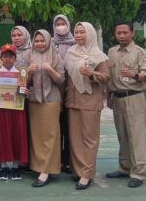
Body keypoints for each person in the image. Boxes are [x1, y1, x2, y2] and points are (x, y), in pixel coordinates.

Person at [63, 22, 109, 190]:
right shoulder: (70, 53)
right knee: (75, 139)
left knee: (89, 139)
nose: (79, 35)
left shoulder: (99, 55)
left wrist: (91, 74)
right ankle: (78, 170)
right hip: (73, 100)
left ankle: (87, 174)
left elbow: (106, 77)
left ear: (90, 34)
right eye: (76, 32)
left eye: (82, 32)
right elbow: (66, 77)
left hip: (90, 101)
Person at [105, 21, 146, 188]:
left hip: (134, 96)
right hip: (117, 97)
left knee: (136, 135)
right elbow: (109, 76)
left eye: (125, 32)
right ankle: (124, 167)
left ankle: (138, 173)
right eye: (119, 33)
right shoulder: (112, 52)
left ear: (132, 33)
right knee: (122, 134)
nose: (122, 36)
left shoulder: (139, 52)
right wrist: (109, 96)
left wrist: (134, 74)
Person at [26, 29, 65, 187]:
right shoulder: (28, 55)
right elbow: (21, 80)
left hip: (51, 99)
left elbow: (61, 80)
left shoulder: (55, 56)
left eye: (43, 41)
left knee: (50, 135)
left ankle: (47, 170)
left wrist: (50, 70)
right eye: (37, 41)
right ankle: (38, 167)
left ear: (48, 41)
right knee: (37, 135)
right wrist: (28, 72)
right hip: (34, 99)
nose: (40, 43)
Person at [0, 44, 28, 181]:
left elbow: (23, 92)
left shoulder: (21, 74)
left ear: (15, 58)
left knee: (17, 135)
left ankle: (16, 165)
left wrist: (24, 90)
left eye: (10, 56)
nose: (7, 59)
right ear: (1, 58)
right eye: (5, 56)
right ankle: (3, 165)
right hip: (1, 109)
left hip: (16, 109)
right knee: (2, 135)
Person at [51, 14, 76, 174]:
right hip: (54, 91)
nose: (60, 26)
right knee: (56, 127)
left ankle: (68, 161)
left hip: (72, 91)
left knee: (69, 128)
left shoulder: (75, 44)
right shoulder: (50, 43)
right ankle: (57, 160)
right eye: (57, 24)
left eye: (63, 23)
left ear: (68, 25)